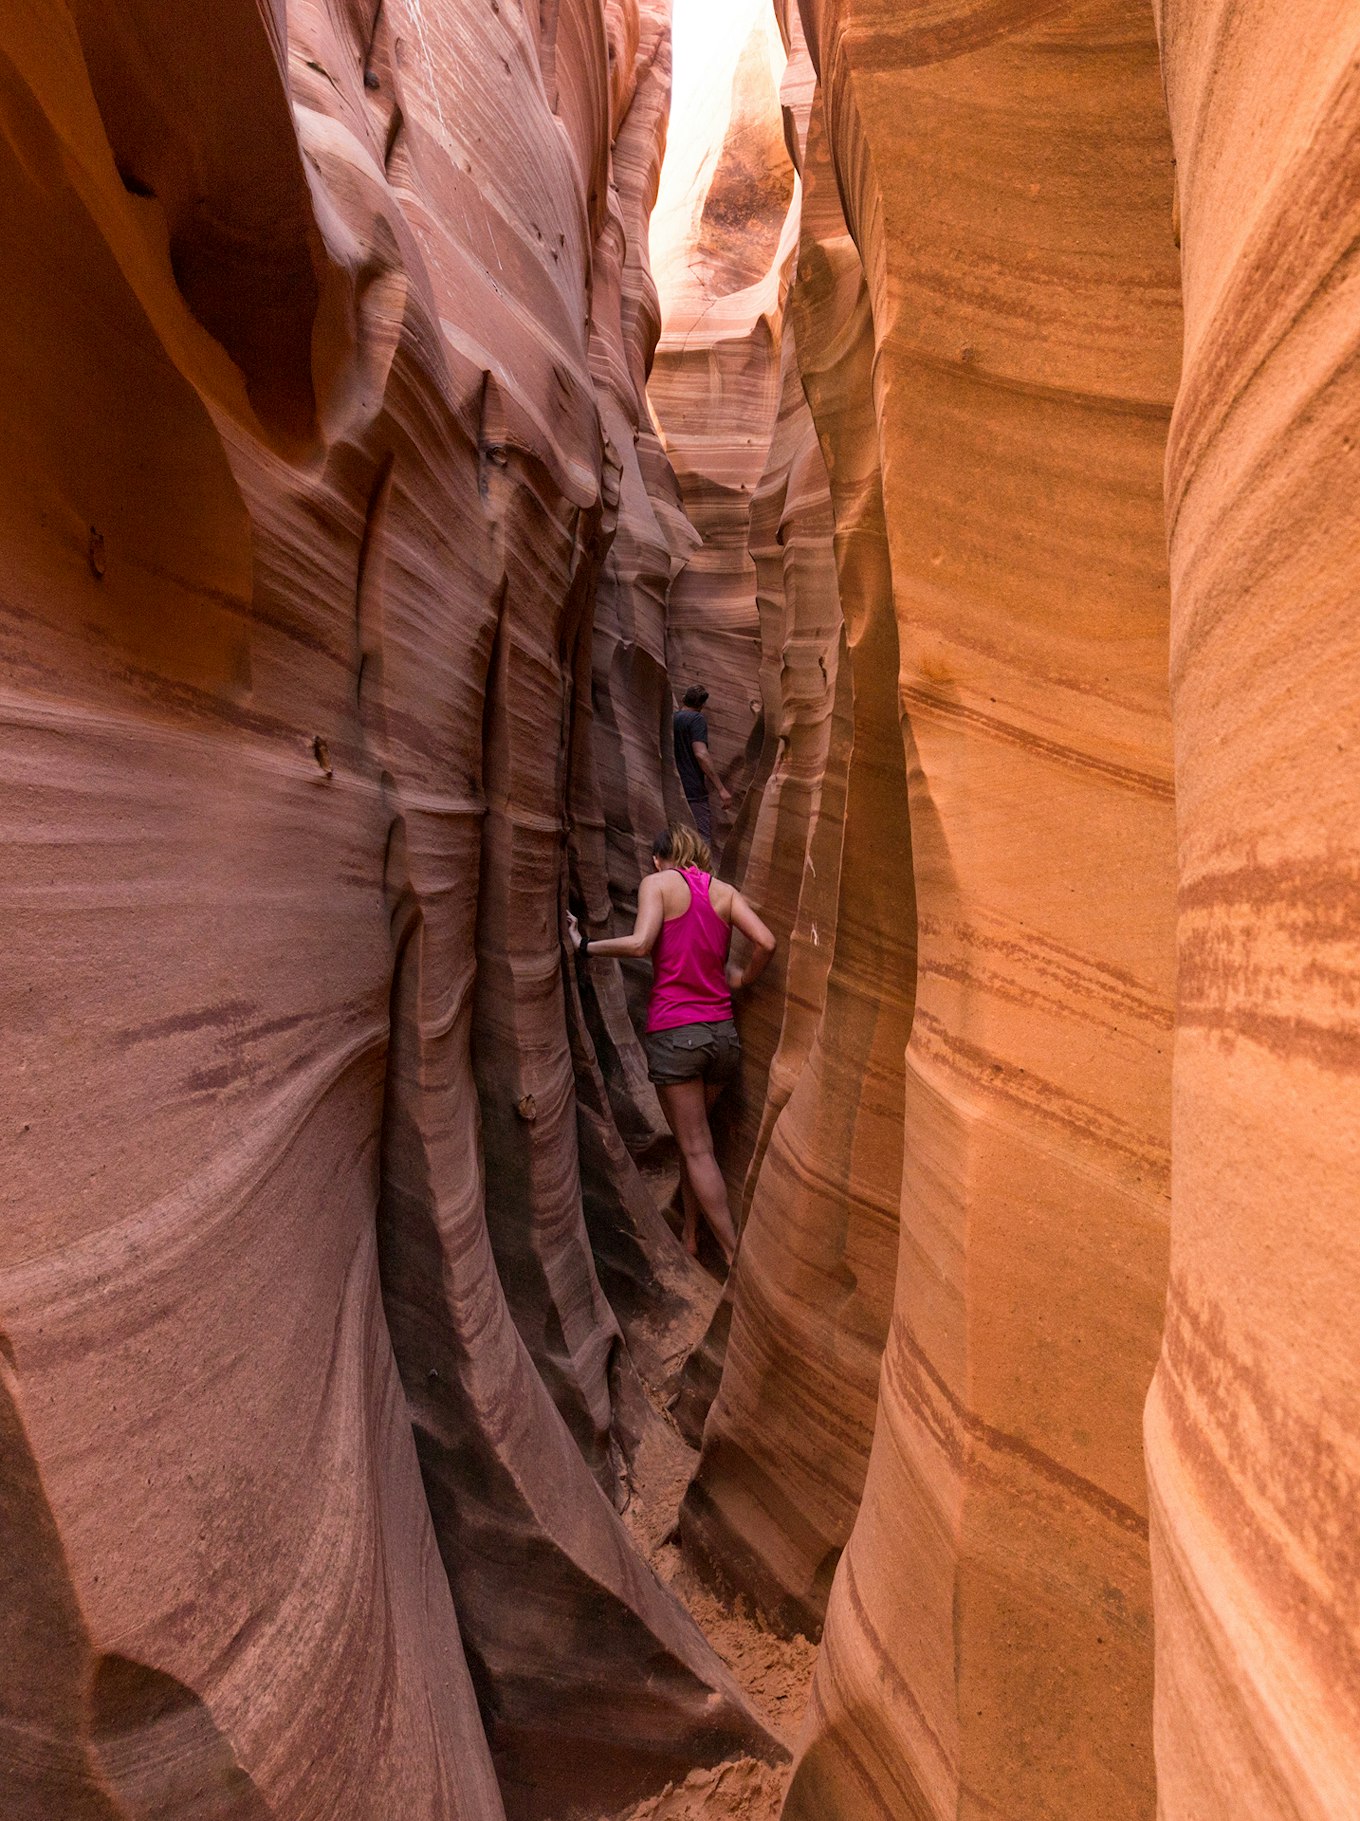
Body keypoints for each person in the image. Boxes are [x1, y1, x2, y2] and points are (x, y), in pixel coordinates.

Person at [568, 824, 775, 1265]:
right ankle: (691, 1236)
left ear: (662, 858)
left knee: (696, 1146)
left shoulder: (658, 884)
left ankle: (736, 1261)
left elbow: (642, 943)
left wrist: (583, 945)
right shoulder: (724, 892)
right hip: (721, 1038)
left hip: (677, 1036)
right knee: (695, 1142)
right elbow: (766, 942)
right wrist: (741, 978)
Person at [672, 685, 731, 843]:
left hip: (674, 787)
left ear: (684, 698)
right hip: (693, 790)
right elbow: (701, 754)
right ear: (702, 705)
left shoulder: (672, 718)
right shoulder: (697, 719)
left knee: (679, 841)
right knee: (701, 841)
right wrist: (721, 788)